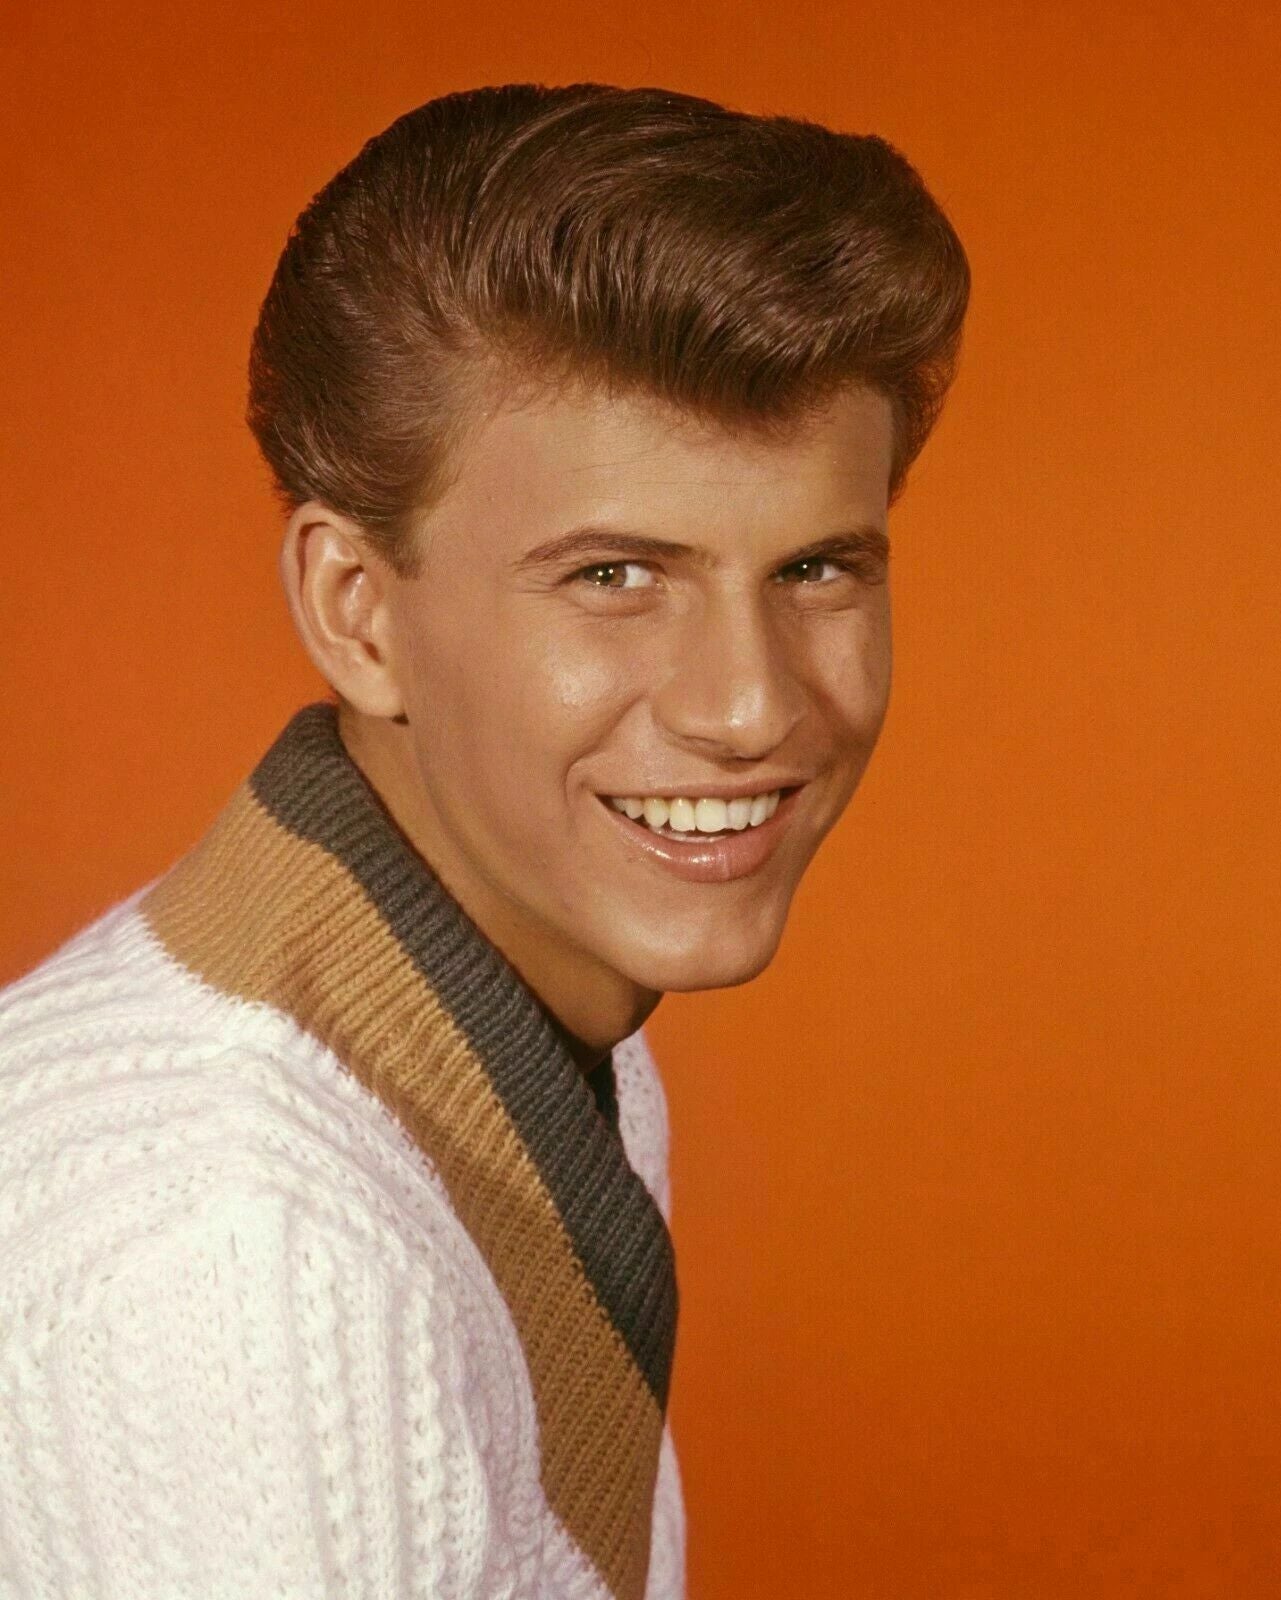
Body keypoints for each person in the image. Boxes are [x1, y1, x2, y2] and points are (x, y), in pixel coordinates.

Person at [0, 82, 969, 1600]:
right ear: (357, 613)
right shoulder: (241, 1255)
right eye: (614, 576)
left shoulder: (526, 995)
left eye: (817, 569)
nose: (750, 706)